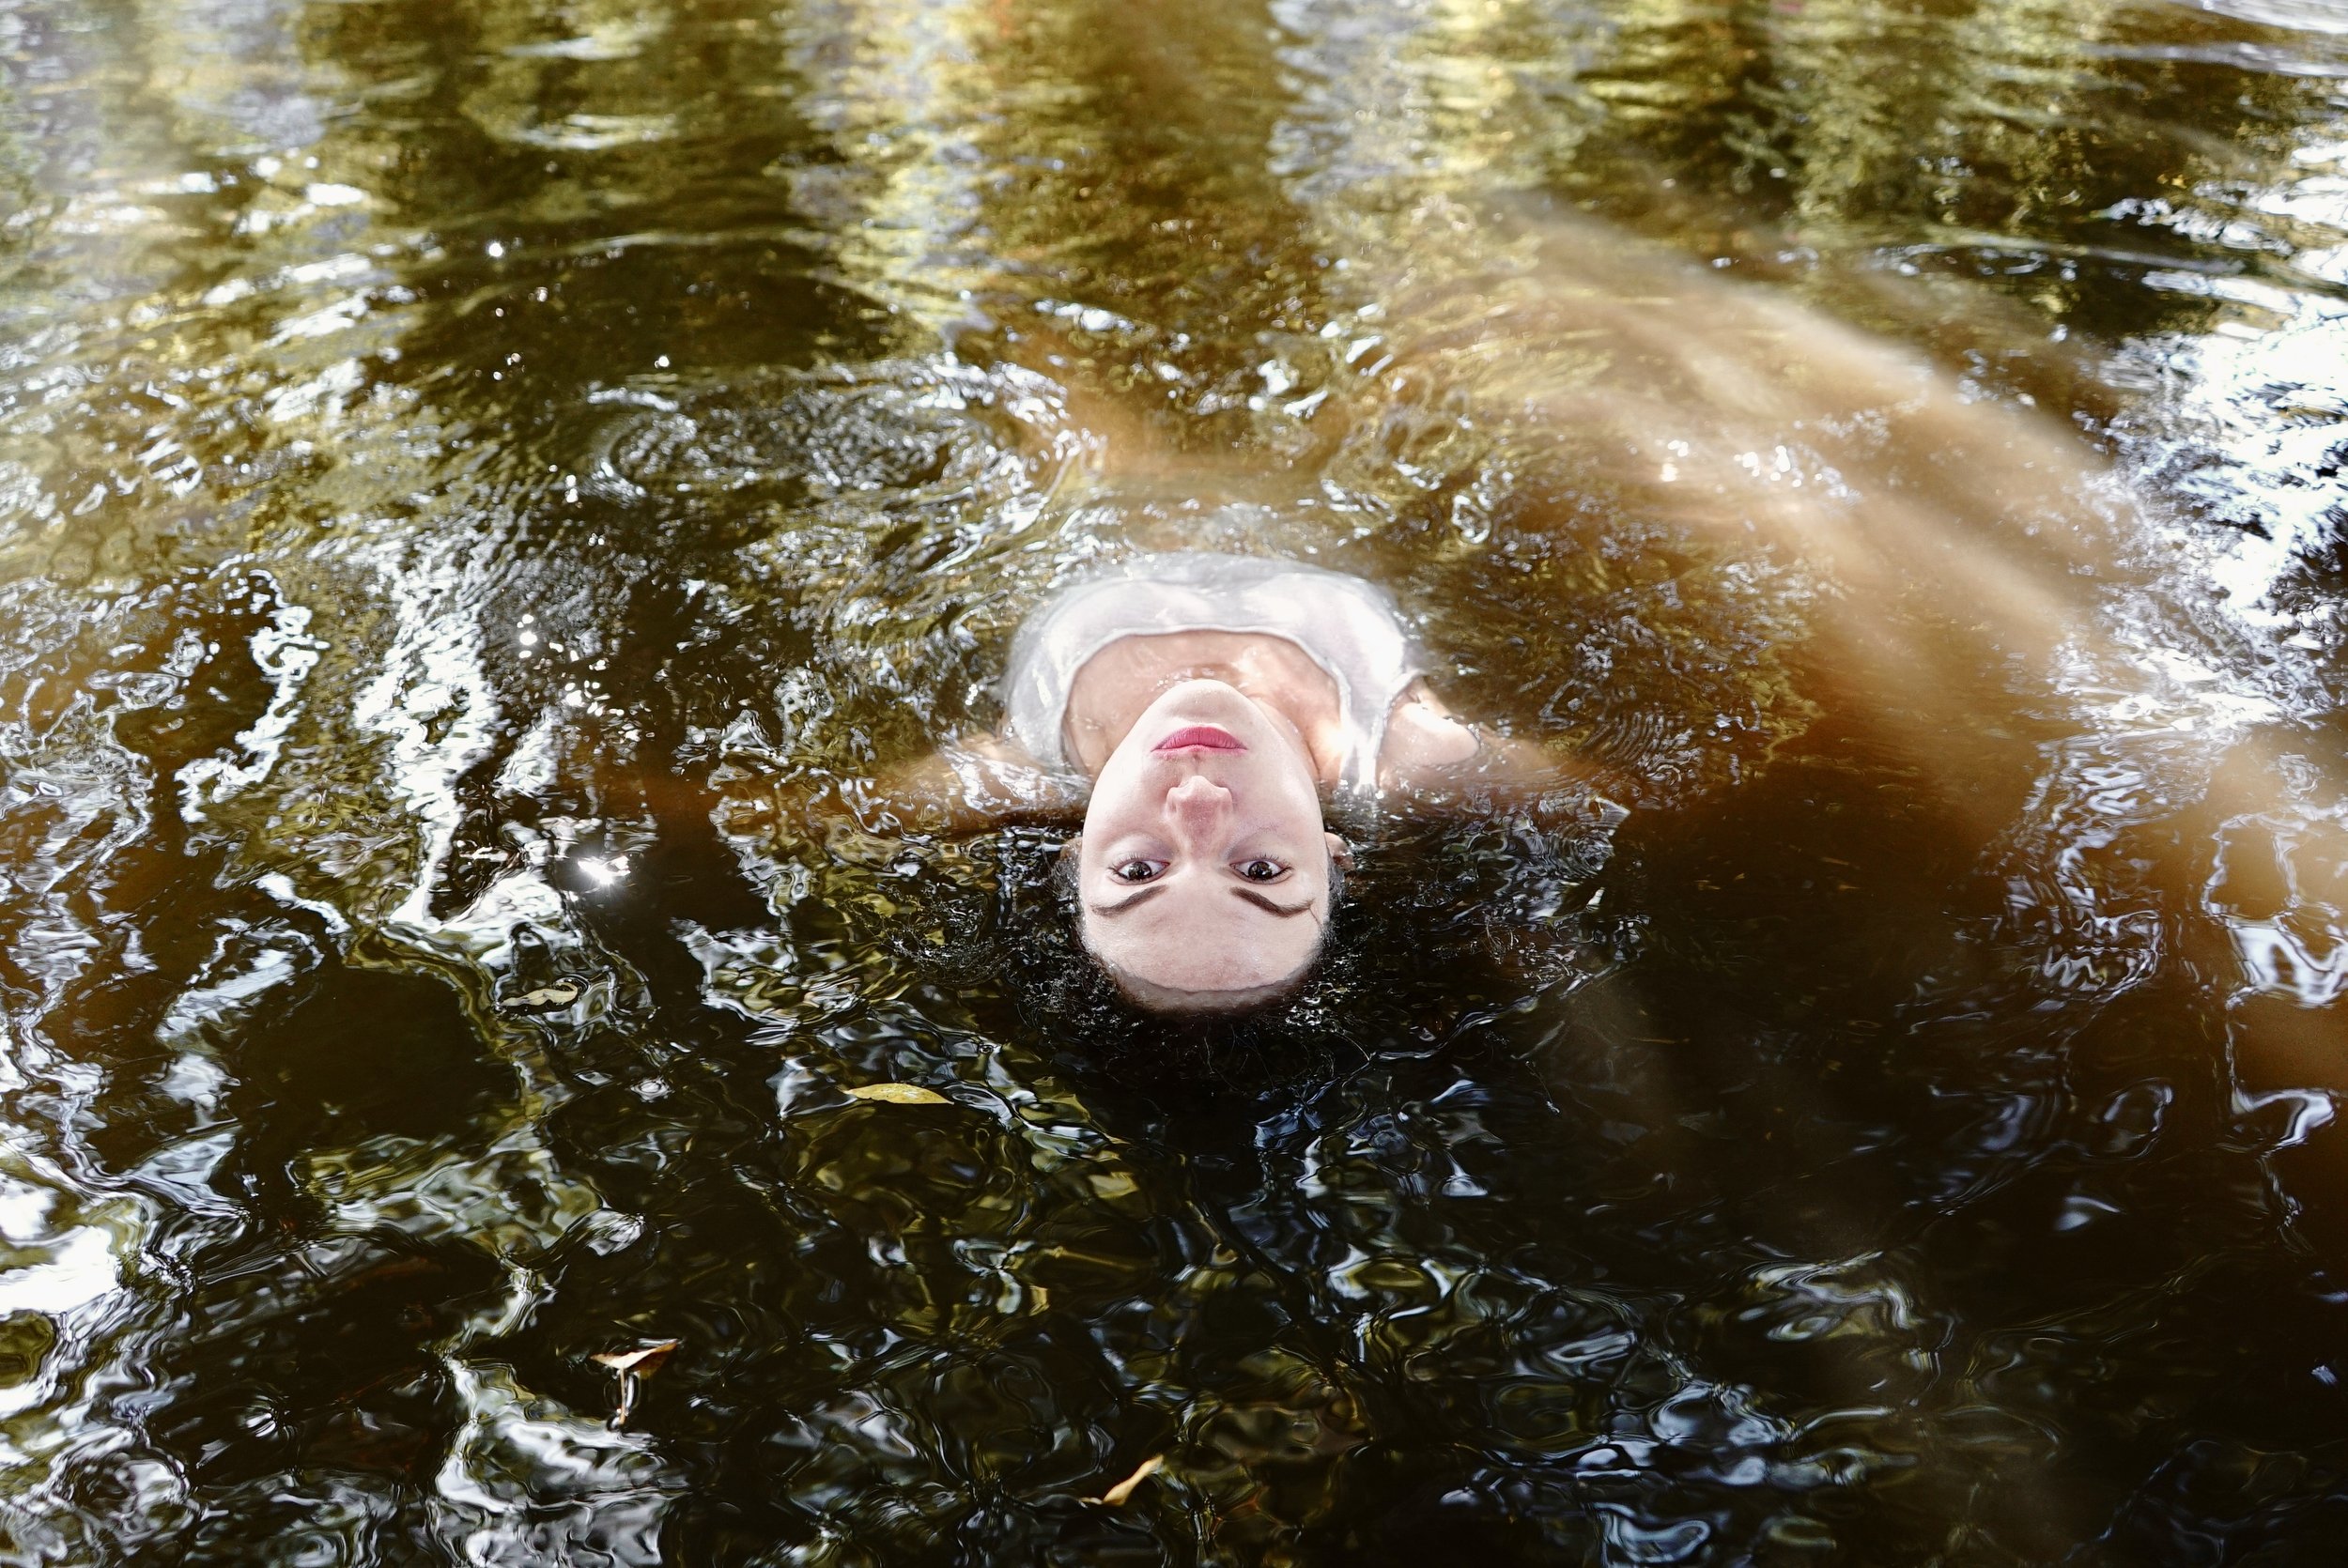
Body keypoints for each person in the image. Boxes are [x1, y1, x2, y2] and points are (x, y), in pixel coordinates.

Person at [837, 550, 1608, 1014]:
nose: (1197, 804)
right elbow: (1628, 786)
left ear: (1073, 857)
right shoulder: (1418, 755)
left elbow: (773, 814)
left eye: (1139, 871)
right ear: (1336, 857)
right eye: (1260, 871)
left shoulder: (1009, 774)